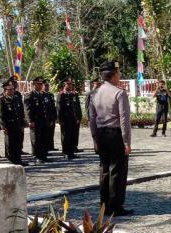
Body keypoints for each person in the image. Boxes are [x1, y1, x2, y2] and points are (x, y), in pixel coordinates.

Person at [88, 61, 133, 217]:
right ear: (114, 75)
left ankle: (104, 205)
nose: (120, 76)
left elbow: (91, 119)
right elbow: (124, 120)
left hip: (101, 134)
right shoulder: (119, 93)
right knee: (117, 172)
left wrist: (95, 139)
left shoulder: (94, 94)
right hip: (115, 134)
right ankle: (115, 206)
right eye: (118, 73)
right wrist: (126, 142)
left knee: (104, 170)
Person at [0, 80, 27, 165]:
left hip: (17, 124)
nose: (11, 91)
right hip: (9, 126)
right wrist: (3, 126)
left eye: (12, 89)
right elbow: (1, 114)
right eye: (9, 89)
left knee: (18, 143)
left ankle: (19, 160)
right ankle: (12, 161)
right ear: (5, 90)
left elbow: (21, 111)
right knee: (10, 144)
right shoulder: (2, 100)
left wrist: (22, 123)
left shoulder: (17, 98)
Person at [25, 77, 52, 163]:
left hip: (44, 120)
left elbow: (48, 108)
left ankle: (43, 155)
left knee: (44, 138)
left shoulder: (45, 94)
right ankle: (37, 156)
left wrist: (50, 118)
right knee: (36, 139)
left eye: (41, 84)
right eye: (38, 84)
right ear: (34, 85)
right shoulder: (30, 95)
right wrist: (30, 121)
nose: (40, 86)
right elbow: (27, 109)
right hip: (35, 121)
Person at [57, 78, 82, 159]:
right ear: (64, 85)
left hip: (73, 119)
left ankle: (71, 152)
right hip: (65, 120)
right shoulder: (61, 95)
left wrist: (79, 117)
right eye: (68, 84)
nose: (70, 85)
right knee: (65, 136)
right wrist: (60, 120)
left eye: (71, 84)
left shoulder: (74, 94)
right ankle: (65, 152)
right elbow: (59, 109)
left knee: (72, 136)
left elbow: (77, 107)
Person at [43, 80, 58, 152]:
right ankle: (46, 148)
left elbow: (53, 107)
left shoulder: (50, 95)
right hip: (46, 118)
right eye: (45, 85)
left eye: (48, 85)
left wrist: (55, 117)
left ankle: (51, 146)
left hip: (52, 117)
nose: (47, 87)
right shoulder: (42, 95)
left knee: (51, 133)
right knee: (46, 134)